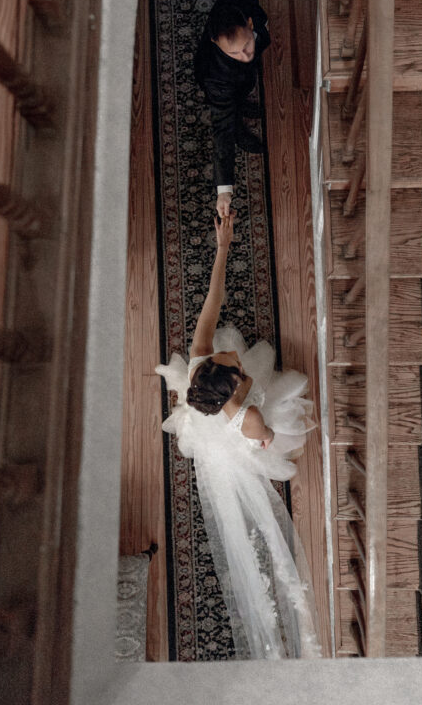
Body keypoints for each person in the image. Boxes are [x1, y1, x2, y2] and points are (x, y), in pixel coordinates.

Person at [156, 213, 321, 660]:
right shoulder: (247, 416)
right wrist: (262, 433)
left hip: (212, 415)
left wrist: (223, 245)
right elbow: (265, 438)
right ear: (232, 387)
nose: (235, 356)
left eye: (227, 359)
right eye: (236, 367)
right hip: (237, 438)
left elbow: (214, 297)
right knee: (284, 418)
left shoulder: (199, 358)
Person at [194, 0, 271, 219]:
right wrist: (224, 190)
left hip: (239, 81)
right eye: (235, 53)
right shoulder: (215, 78)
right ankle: (241, 129)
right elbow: (221, 132)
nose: (245, 56)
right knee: (230, 117)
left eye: (247, 46)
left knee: (246, 84)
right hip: (223, 84)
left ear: (250, 24)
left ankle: (242, 103)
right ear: (217, 45)